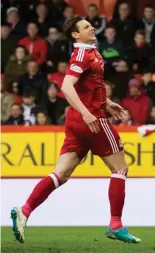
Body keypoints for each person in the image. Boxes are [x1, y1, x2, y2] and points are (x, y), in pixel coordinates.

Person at [11, 17, 141, 244]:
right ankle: (116, 224)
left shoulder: (90, 52)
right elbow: (66, 86)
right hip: (92, 121)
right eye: (85, 27)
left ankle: (25, 210)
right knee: (120, 169)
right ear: (75, 35)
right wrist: (87, 112)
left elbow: (87, 87)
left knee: (60, 173)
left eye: (90, 25)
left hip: (77, 122)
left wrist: (106, 102)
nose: (91, 27)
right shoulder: (82, 55)